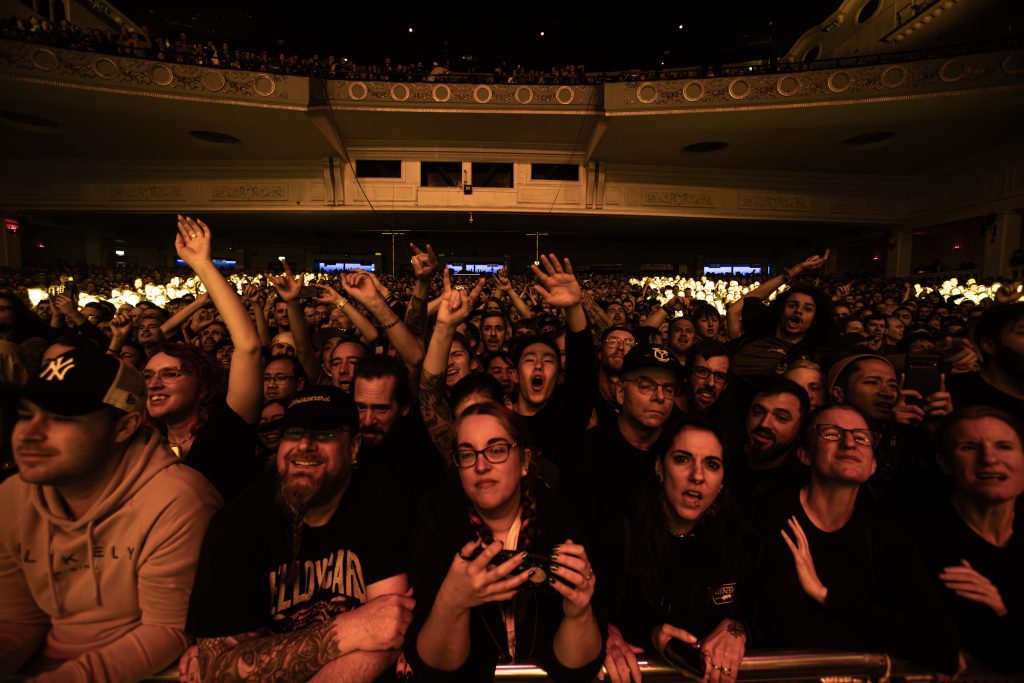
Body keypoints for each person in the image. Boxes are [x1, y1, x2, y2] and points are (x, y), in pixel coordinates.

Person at [0, 347, 221, 682]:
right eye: (26, 414)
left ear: (124, 426)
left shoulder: (178, 500)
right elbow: (21, 617)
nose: (29, 434)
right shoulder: (13, 494)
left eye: (62, 418)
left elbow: (168, 631)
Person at [184, 387, 415, 682]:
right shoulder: (239, 521)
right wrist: (350, 629)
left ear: (354, 447)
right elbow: (219, 667)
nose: (304, 444)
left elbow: (391, 628)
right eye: (293, 433)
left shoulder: (383, 497)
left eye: (325, 434)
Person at [753, 405, 961, 676]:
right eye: (831, 433)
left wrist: (824, 595)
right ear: (805, 454)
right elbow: (787, 631)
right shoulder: (768, 518)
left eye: (862, 437)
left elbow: (942, 648)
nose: (849, 442)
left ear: (874, 464)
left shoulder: (884, 537)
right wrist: (886, 635)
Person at [405, 403, 605, 681]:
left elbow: (577, 668)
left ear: (524, 461)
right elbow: (435, 668)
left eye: (496, 450)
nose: (481, 465)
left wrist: (579, 612)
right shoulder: (436, 524)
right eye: (467, 454)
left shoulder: (560, 523)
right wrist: (451, 603)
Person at [595, 418, 752, 683]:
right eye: (682, 459)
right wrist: (603, 631)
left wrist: (739, 629)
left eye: (712, 465)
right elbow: (590, 613)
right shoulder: (618, 533)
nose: (697, 476)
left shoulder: (740, 538)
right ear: (659, 467)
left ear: (723, 482)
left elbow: (763, 616)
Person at [143, 217, 262, 501]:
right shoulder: (141, 438)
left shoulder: (227, 424)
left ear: (202, 384)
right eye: (148, 376)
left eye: (170, 374)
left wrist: (202, 265)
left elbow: (248, 346)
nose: (155, 384)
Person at [905, 407, 1024, 674]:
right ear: (945, 463)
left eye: (1004, 446)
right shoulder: (916, 541)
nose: (989, 459)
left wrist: (1000, 607)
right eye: (969, 447)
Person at [563, 344, 681, 529]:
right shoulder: (589, 452)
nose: (660, 397)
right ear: (620, 392)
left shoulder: (678, 449)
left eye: (668, 389)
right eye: (646, 386)